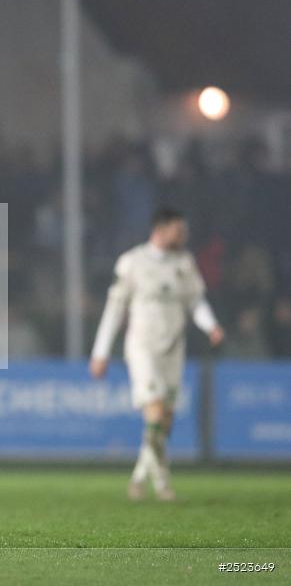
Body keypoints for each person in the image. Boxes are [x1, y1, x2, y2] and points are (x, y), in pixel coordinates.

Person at [90, 207, 223, 501]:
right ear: (160, 230)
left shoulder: (184, 263)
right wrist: (100, 352)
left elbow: (195, 302)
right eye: (179, 230)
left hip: (173, 347)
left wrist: (211, 326)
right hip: (142, 346)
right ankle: (163, 482)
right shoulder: (131, 262)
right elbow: (115, 310)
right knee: (155, 407)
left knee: (166, 418)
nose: (183, 235)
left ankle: (139, 476)